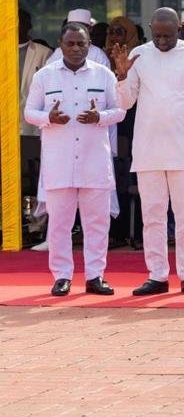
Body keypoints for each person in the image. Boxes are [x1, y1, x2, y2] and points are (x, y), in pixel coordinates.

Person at [110, 8, 184, 296]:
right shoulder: (139, 55)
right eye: (157, 35)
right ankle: (157, 275)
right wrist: (122, 75)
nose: (161, 41)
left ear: (178, 31)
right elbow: (125, 104)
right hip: (148, 150)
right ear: (150, 29)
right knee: (152, 217)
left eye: (167, 36)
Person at [24, 23, 126, 296]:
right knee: (59, 224)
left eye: (81, 44)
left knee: (97, 223)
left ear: (89, 45)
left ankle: (95, 275)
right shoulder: (45, 76)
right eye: (70, 43)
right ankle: (62, 276)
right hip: (59, 162)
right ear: (60, 45)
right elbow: (29, 113)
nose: (76, 48)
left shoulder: (103, 75)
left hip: (94, 161)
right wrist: (48, 118)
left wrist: (99, 117)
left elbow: (120, 111)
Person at [18, 8, 52, 137]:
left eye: (19, 21)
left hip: (31, 125)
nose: (15, 25)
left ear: (28, 25)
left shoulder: (43, 53)